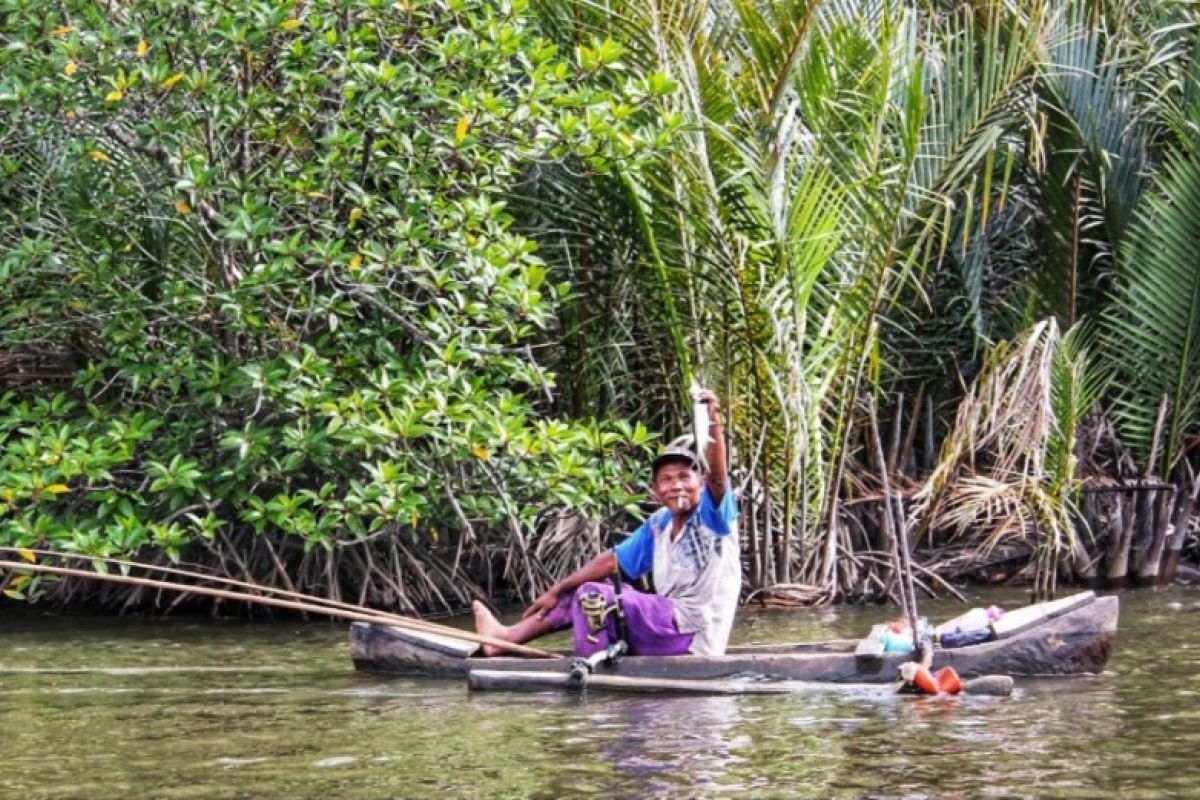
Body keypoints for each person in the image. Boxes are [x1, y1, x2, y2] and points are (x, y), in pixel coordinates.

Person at [472, 389, 740, 657]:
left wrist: (712, 419)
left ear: (700, 484)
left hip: (694, 636)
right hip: (664, 629)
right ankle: (504, 638)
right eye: (667, 480)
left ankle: (591, 669)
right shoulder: (660, 524)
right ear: (655, 490)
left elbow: (718, 478)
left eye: (684, 477)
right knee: (579, 588)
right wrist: (558, 589)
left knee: (593, 595)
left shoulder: (712, 516)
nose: (676, 486)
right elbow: (613, 560)